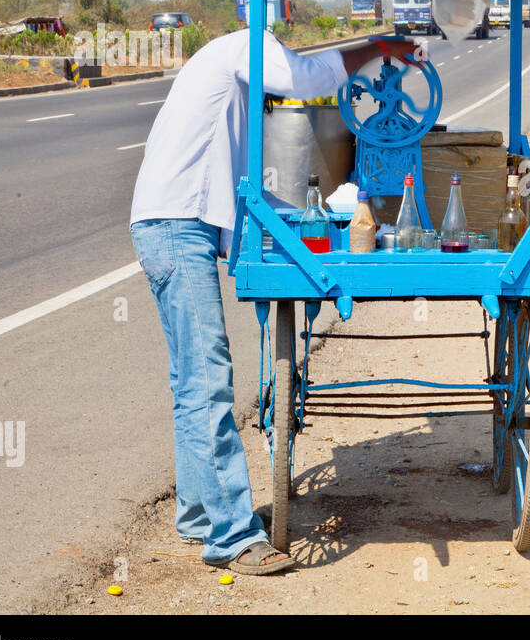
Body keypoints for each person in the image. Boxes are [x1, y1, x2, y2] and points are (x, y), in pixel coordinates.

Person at [129, 28, 417, 573]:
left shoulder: (225, 66)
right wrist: (381, 48)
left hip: (168, 222)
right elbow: (304, 78)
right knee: (206, 381)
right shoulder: (245, 44)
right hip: (174, 225)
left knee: (190, 380)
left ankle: (198, 515)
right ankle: (233, 538)